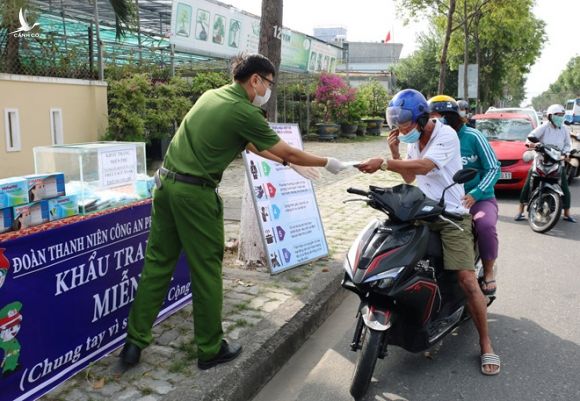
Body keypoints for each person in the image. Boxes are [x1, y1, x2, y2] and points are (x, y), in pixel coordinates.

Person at [121, 53, 350, 370]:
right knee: (206, 272)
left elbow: (253, 146)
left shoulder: (211, 96)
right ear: (255, 79)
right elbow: (283, 147)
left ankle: (133, 344)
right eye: (268, 83)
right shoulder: (243, 110)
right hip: (196, 196)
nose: (269, 89)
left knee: (158, 265)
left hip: (166, 187)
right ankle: (210, 348)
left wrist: (289, 164)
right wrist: (326, 162)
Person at [357, 89, 500, 376]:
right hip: (421, 212)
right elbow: (412, 176)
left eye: (406, 123)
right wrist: (395, 153)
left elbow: (426, 166)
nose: (402, 129)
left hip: (451, 215)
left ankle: (486, 344)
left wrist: (384, 162)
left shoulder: (445, 135)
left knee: (467, 280)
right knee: (398, 261)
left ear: (423, 119)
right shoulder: (412, 141)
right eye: (397, 123)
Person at [428, 95, 501, 296]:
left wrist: (476, 194)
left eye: (439, 116)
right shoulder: (432, 140)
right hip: (445, 200)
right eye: (431, 117)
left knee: (485, 226)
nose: (435, 121)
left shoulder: (473, 136)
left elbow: (494, 167)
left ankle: (487, 271)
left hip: (478, 199)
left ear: (451, 116)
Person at [515, 103, 575, 222]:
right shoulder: (544, 127)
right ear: (550, 116)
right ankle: (520, 211)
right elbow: (531, 137)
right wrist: (534, 144)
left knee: (565, 188)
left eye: (562, 115)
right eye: (558, 115)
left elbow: (568, 144)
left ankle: (567, 214)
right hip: (541, 160)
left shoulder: (564, 129)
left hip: (557, 161)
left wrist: (567, 152)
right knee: (528, 185)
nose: (561, 117)